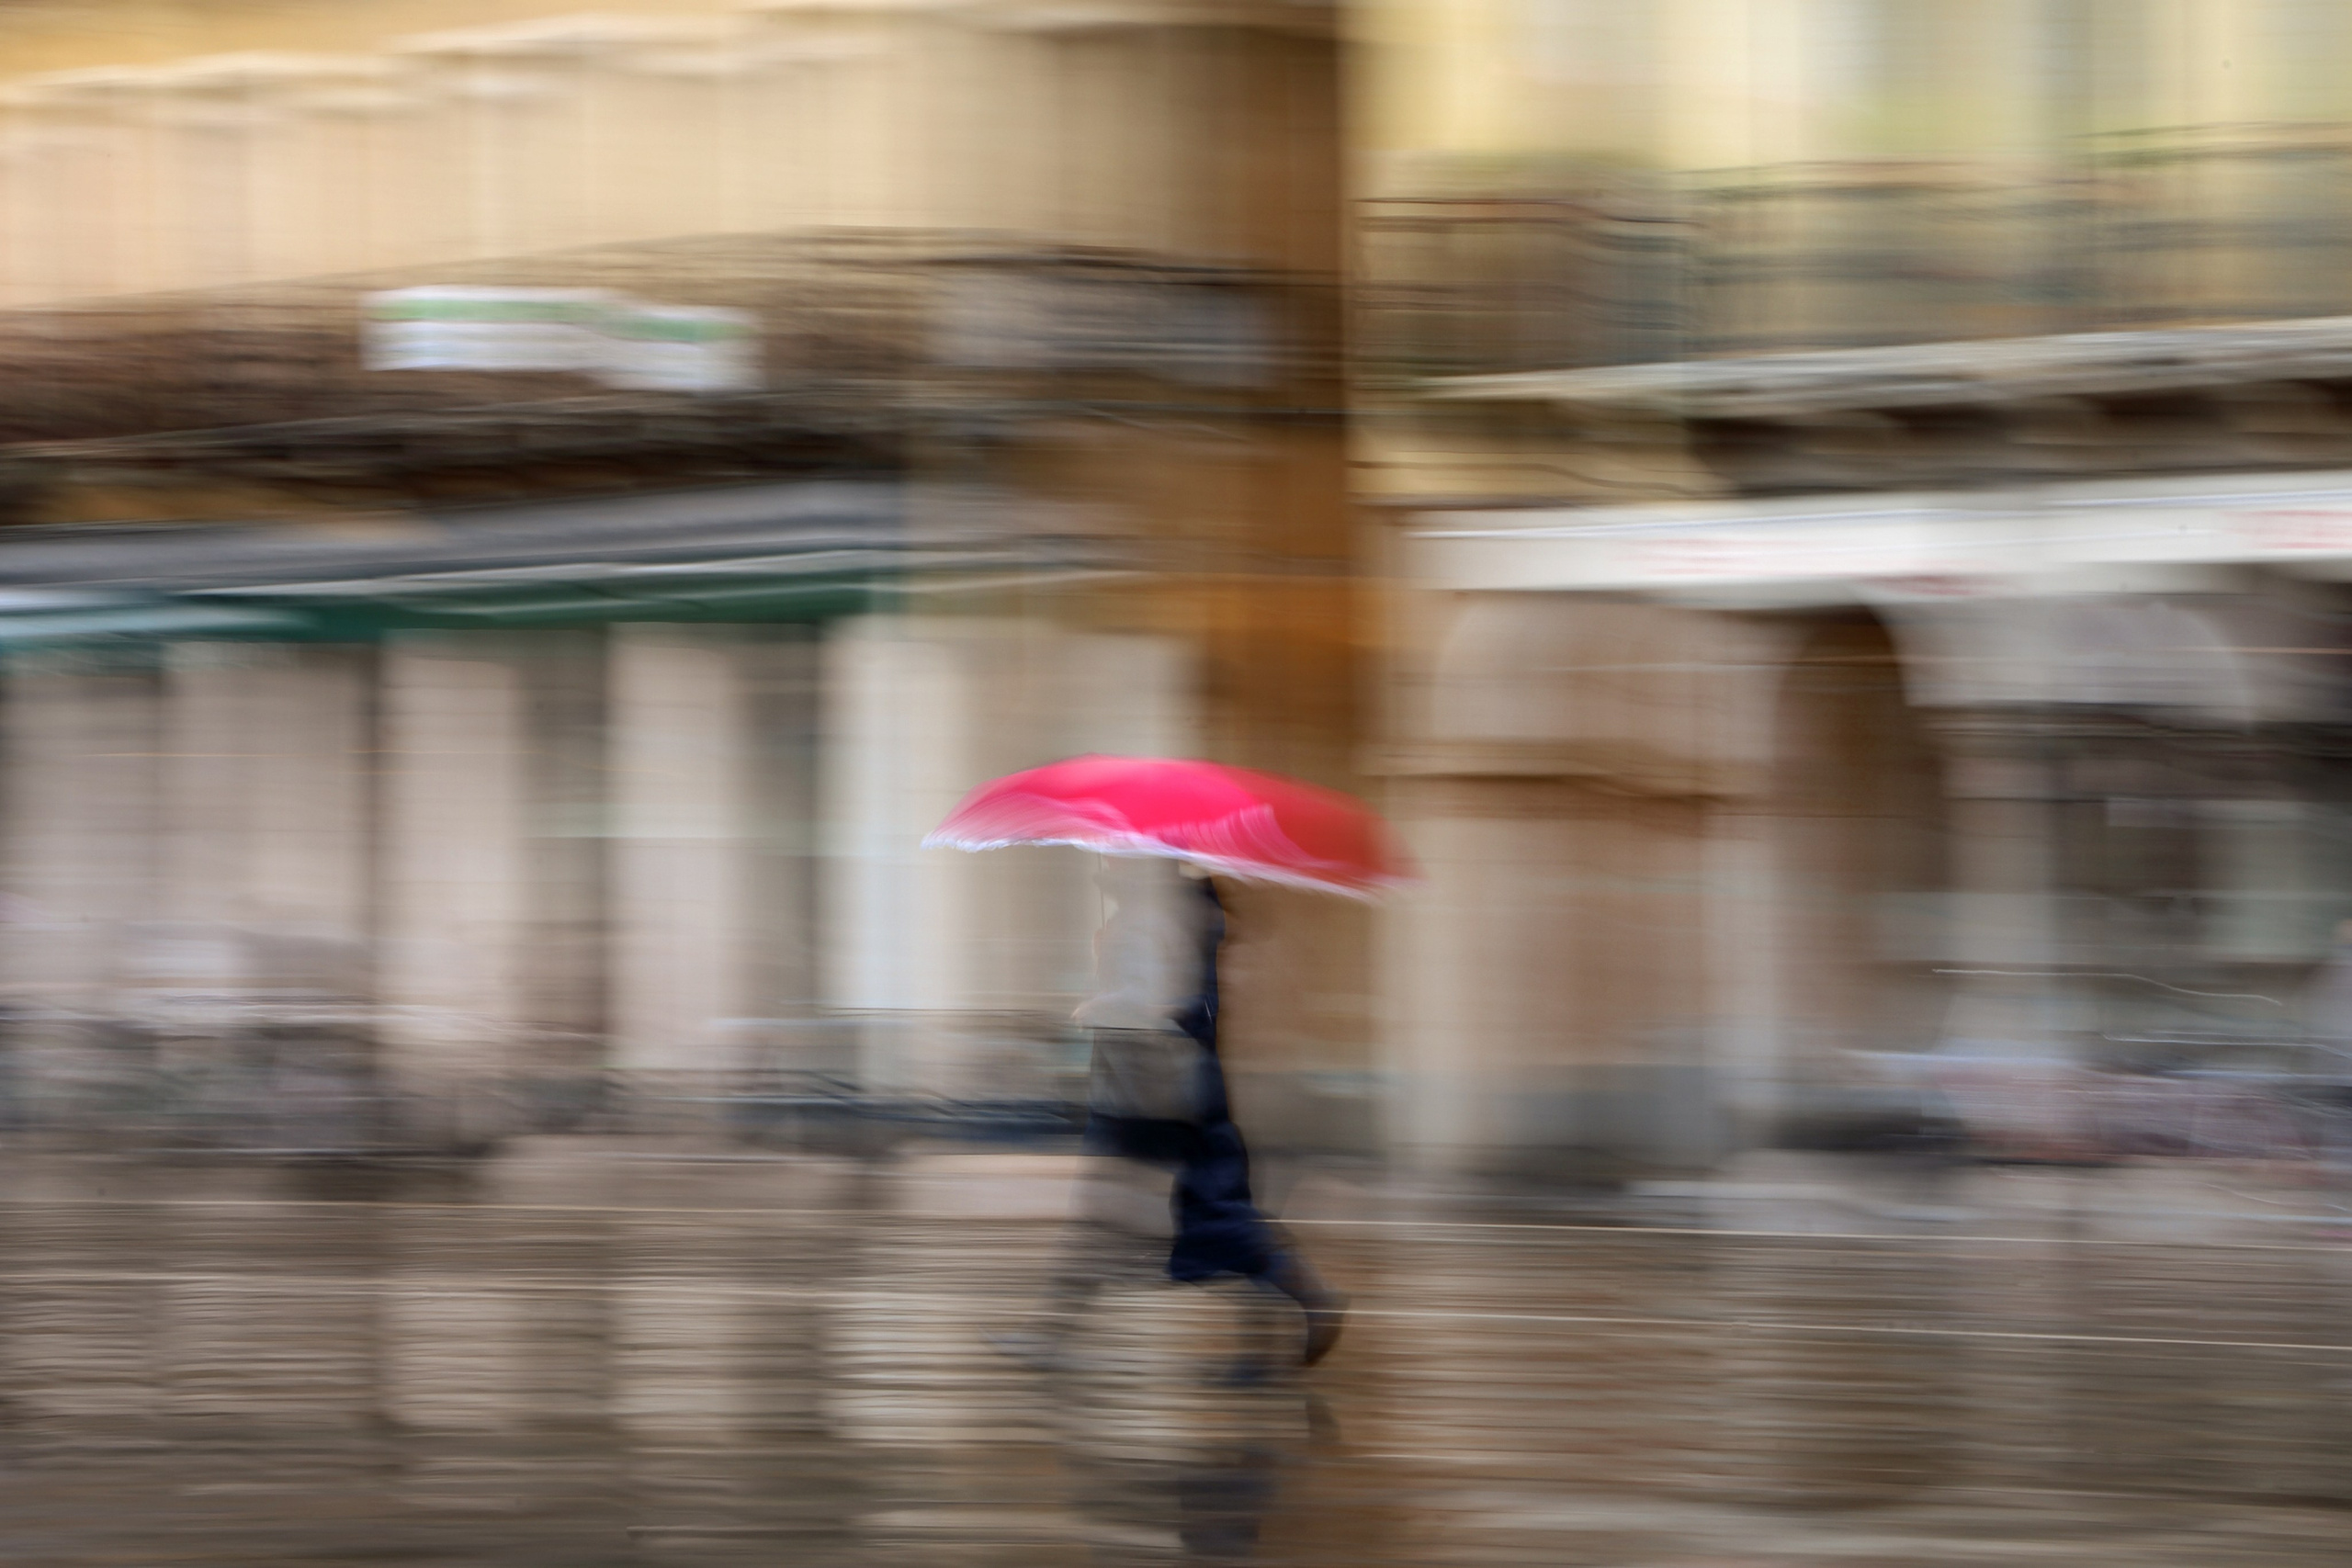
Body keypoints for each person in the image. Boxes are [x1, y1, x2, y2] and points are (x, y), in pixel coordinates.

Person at [995, 860, 1346, 1373]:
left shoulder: (1160, 915)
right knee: (1189, 1217)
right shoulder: (1171, 911)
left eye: (1117, 856)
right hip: (1167, 1086)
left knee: (1132, 1215)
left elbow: (1155, 1000)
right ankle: (1299, 1306)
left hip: (1154, 1090)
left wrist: (1097, 1004)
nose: (1105, 863)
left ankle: (1049, 1333)